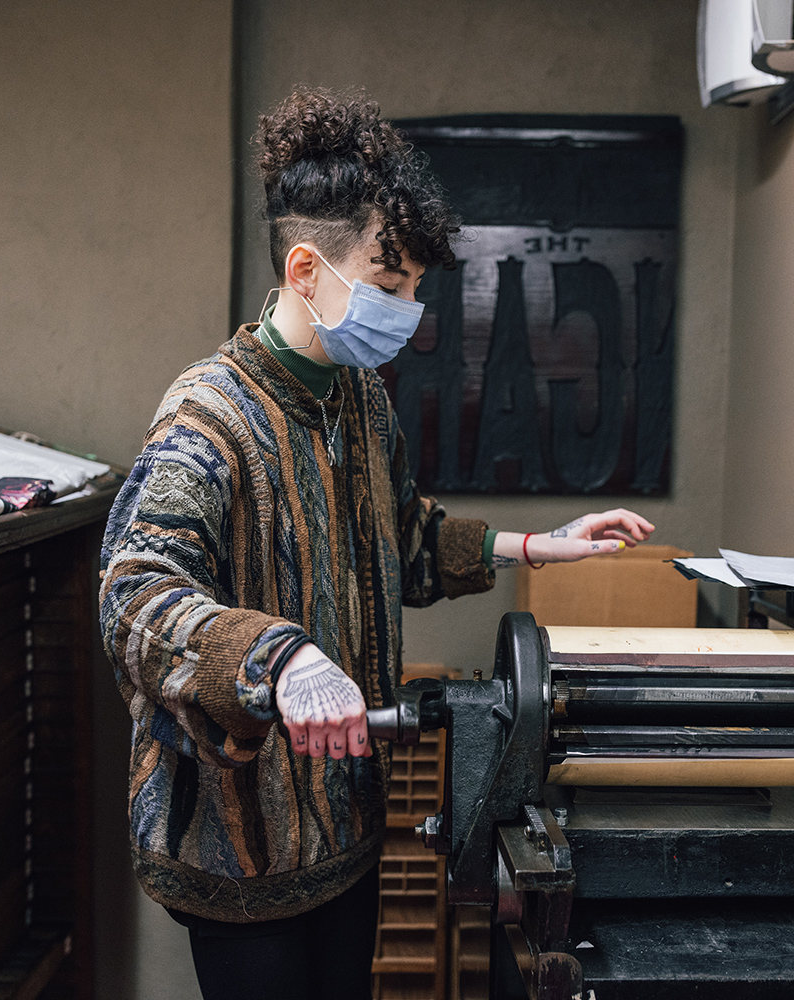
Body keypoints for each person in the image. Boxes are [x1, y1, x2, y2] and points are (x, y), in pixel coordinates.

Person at [99, 86, 656, 1000]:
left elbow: (401, 539)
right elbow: (135, 596)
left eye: (416, 291)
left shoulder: (359, 402)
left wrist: (535, 547)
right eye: (390, 285)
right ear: (307, 267)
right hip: (245, 858)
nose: (408, 311)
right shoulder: (208, 416)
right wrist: (278, 660)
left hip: (349, 829)